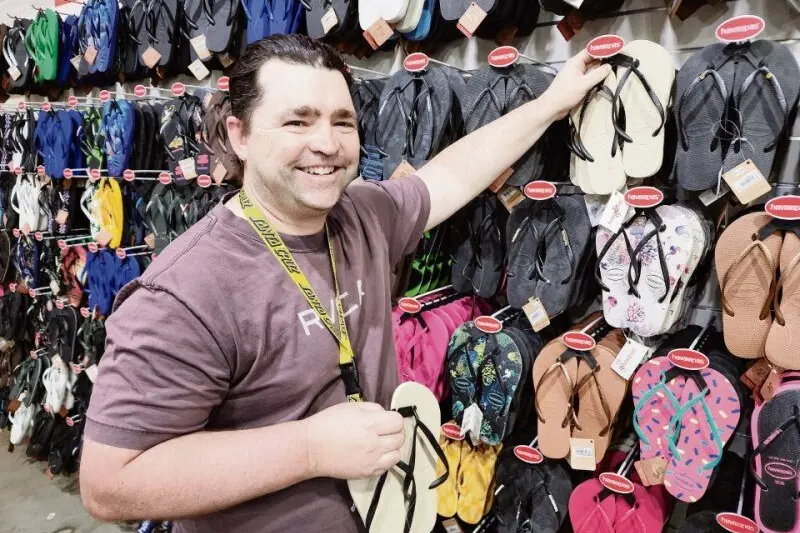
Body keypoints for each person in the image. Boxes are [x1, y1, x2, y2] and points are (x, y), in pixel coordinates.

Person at [79, 34, 611, 533]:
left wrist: (551, 104)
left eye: (343, 122)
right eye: (297, 123)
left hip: (387, 510)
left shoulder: (362, 214)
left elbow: (452, 173)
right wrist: (308, 449)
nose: (327, 144)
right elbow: (111, 483)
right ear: (237, 134)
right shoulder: (185, 292)